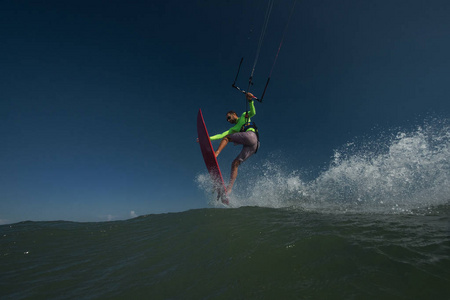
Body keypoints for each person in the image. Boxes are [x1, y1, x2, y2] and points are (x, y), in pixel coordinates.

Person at [209, 92, 259, 194]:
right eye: (227, 119)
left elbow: (253, 112)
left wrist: (250, 100)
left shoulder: (243, 116)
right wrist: (207, 138)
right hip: (253, 146)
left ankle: (216, 153)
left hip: (251, 136)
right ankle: (229, 189)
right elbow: (221, 135)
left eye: (229, 118)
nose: (228, 120)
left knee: (228, 137)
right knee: (235, 164)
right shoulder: (233, 129)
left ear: (234, 114)